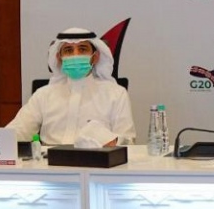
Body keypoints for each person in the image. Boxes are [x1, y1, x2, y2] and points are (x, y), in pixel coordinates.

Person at [8, 28, 136, 146]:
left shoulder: (116, 94)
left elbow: (127, 141)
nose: (75, 55)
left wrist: (106, 139)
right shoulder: (43, 95)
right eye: (68, 50)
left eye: (82, 49)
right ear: (59, 59)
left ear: (95, 57)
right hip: (50, 161)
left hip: (96, 160)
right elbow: (18, 131)